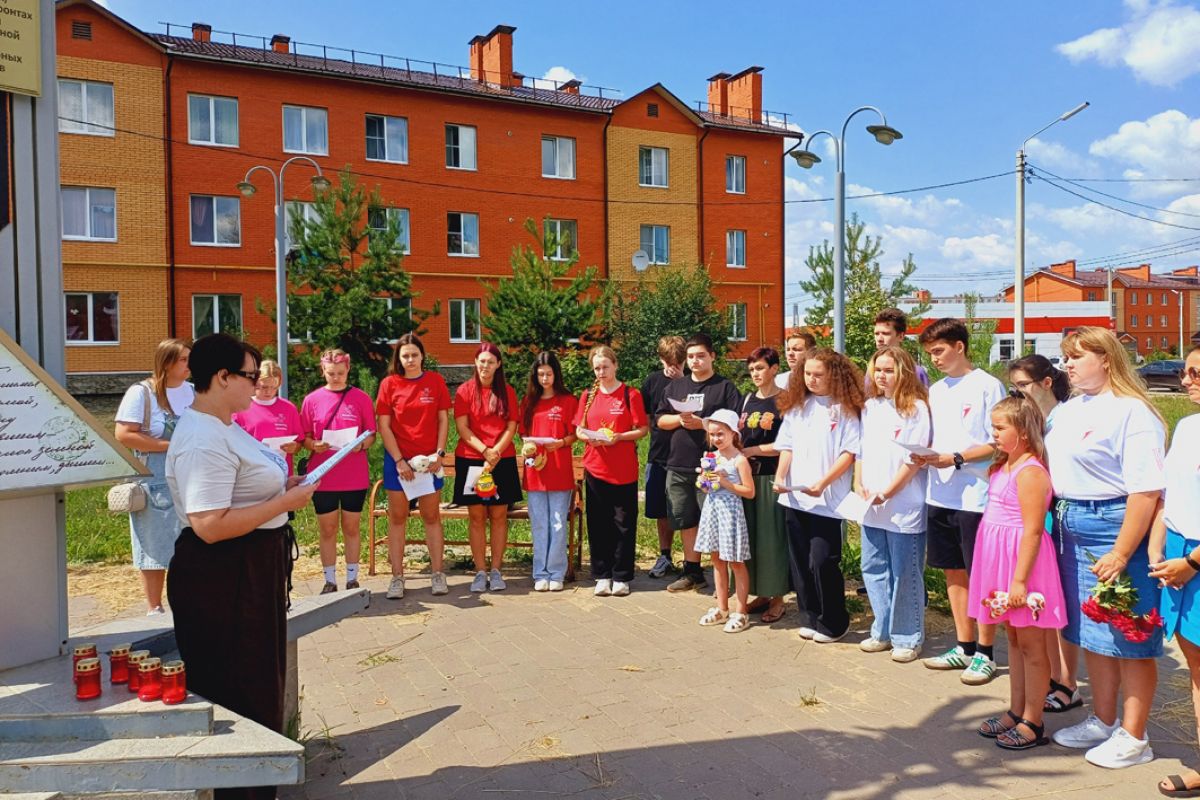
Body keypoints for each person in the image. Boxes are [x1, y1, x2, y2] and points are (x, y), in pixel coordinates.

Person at [165, 333, 318, 800]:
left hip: (251, 571)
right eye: (250, 376)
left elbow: (242, 491)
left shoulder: (226, 426)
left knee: (258, 692)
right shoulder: (201, 438)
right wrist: (287, 501)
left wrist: (282, 491)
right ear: (222, 376)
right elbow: (209, 524)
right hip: (223, 578)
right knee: (239, 697)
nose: (258, 384)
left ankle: (257, 788)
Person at [1046, 326, 1165, 769]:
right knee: (1091, 631)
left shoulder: (1133, 412)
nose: (1068, 365)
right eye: (1065, 357)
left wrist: (1120, 551)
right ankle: (1103, 718)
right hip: (1070, 523)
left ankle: (1135, 737)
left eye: (1077, 356)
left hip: (1114, 526)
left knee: (1127, 630)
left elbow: (1146, 491)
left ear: (1107, 359)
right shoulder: (1070, 409)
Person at [969, 396, 1067, 751]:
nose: (992, 434)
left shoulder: (1031, 472)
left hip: (1022, 566)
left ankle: (1033, 720)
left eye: (999, 428)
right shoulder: (1003, 466)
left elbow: (1032, 530)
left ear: (1023, 432)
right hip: (998, 560)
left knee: (1032, 644)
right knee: (1012, 639)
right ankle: (1015, 709)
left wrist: (1020, 581)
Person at [912, 318, 1005, 684]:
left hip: (975, 494)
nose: (934, 359)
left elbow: (998, 441)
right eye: (930, 353)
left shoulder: (987, 386)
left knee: (981, 574)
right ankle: (964, 646)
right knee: (953, 570)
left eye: (939, 351)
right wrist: (922, 455)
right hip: (940, 491)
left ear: (960, 346)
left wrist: (958, 458)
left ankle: (986, 653)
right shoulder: (935, 390)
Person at [773, 348, 863, 643]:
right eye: (807, 373)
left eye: (818, 374)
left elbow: (849, 453)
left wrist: (823, 483)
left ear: (833, 375)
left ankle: (835, 622)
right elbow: (787, 447)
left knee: (822, 560)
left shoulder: (847, 409)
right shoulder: (798, 406)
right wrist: (779, 477)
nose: (811, 379)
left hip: (828, 500)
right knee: (799, 561)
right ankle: (809, 616)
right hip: (795, 496)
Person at [1008, 354, 1078, 714]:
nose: (1018, 392)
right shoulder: (1030, 418)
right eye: (1014, 387)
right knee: (1044, 603)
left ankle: (1069, 682)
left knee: (1060, 602)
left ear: (1047, 383)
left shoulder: (1066, 417)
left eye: (1023, 385)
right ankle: (1052, 677)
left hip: (1061, 510)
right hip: (1039, 512)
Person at [858, 345, 931, 662]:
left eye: (889, 370)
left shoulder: (916, 408)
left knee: (904, 572)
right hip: (870, 503)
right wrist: (859, 484)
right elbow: (861, 451)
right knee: (873, 567)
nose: (882, 375)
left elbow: (913, 461)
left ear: (903, 371)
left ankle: (908, 636)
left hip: (903, 503)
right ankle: (883, 630)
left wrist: (887, 491)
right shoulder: (870, 406)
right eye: (878, 369)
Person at [1149, 346, 1200, 796]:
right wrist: (1158, 549)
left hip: (1195, 559)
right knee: (1196, 668)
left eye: (1195, 372)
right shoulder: (1187, 426)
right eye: (1185, 371)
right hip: (1178, 554)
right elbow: (1169, 496)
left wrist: (1191, 562)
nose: (1185, 380)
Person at [113, 338, 194, 615]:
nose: (189, 365)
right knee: (155, 542)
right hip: (155, 476)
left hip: (189, 473)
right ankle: (154, 608)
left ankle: (184, 602)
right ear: (167, 362)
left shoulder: (193, 392)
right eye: (183, 359)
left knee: (188, 541)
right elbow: (124, 435)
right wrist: (171, 446)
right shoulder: (142, 393)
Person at [657, 334, 742, 592]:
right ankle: (692, 571)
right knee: (685, 518)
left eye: (701, 355)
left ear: (712, 356)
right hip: (678, 464)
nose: (695, 361)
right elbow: (660, 420)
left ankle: (722, 577)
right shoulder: (675, 387)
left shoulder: (725, 388)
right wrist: (681, 421)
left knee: (716, 519)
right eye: (691, 356)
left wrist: (702, 423)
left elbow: (735, 425)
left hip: (714, 466)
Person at [375, 334, 451, 600]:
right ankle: (397, 577)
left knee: (432, 518)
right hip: (399, 464)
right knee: (397, 519)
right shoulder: (389, 384)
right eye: (405, 356)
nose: (410, 360)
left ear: (422, 356)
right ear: (398, 359)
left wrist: (439, 454)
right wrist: (399, 461)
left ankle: (438, 574)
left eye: (414, 355)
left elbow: (443, 420)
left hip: (429, 463)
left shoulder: (435, 381)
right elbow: (384, 426)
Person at [300, 349, 377, 594]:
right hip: (324, 475)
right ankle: (330, 580)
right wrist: (314, 445)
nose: (336, 378)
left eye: (341, 373)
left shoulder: (361, 398)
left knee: (352, 527)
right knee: (328, 528)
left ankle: (353, 578)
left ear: (348, 370)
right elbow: (305, 437)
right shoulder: (311, 400)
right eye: (331, 373)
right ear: (323, 371)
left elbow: (371, 433)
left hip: (353, 475)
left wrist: (362, 444)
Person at [574, 345, 647, 597]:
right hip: (595, 467)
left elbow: (642, 429)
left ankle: (622, 576)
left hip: (624, 469)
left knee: (623, 523)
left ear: (616, 365)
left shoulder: (630, 394)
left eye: (605, 366)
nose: (601, 372)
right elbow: (578, 429)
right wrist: (588, 437)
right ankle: (602, 575)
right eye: (597, 368)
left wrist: (618, 437)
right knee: (598, 523)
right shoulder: (588, 395)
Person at [454, 342, 521, 593]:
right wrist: (485, 451)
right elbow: (462, 428)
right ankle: (480, 572)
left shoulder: (508, 392)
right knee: (476, 517)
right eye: (481, 361)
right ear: (475, 362)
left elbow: (511, 426)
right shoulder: (463, 391)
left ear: (498, 365)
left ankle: (496, 570)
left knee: (499, 516)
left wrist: (495, 453)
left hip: (501, 459)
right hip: (472, 459)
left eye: (490, 362)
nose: (485, 366)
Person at [519, 351, 578, 592]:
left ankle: (556, 572)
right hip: (535, 473)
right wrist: (527, 445)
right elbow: (522, 434)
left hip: (559, 472)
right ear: (535, 376)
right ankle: (540, 572)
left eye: (549, 374)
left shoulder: (567, 401)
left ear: (556, 374)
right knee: (539, 524)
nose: (545, 378)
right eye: (541, 374)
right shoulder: (529, 403)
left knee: (557, 524)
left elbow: (576, 434)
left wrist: (561, 443)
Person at [738, 347, 789, 624]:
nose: (756, 374)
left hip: (771, 475)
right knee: (752, 539)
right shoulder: (747, 399)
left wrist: (755, 450)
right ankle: (761, 592)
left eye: (760, 368)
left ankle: (778, 598)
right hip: (747, 478)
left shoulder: (785, 400)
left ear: (774, 368)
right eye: (752, 369)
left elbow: (788, 443)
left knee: (772, 540)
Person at [695, 409, 756, 633]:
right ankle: (722, 608)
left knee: (736, 562)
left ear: (733, 434)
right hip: (712, 511)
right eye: (712, 434)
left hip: (730, 513)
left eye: (720, 434)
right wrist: (703, 480)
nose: (716, 439)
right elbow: (705, 487)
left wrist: (725, 482)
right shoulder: (712, 457)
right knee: (716, 560)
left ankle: (741, 612)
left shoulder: (739, 460)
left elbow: (749, 492)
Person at [642, 336, 687, 579]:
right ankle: (665, 555)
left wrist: (683, 382)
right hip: (659, 455)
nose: (675, 367)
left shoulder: (692, 379)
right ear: (661, 359)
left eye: (679, 362)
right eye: (670, 362)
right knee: (662, 510)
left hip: (688, 456)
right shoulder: (652, 381)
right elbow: (648, 418)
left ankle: (692, 562)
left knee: (687, 510)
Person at [232, 360, 303, 475]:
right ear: (255, 383)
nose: (269, 392)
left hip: (282, 475)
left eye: (274, 387)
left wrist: (294, 447)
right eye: (264, 387)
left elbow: (299, 442)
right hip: (251, 474)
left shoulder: (289, 408)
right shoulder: (240, 407)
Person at [872, 308, 929, 387]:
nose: (879, 339)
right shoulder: (871, 372)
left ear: (901, 336)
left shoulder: (915, 372)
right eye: (876, 334)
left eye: (886, 334)